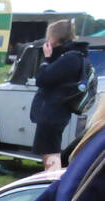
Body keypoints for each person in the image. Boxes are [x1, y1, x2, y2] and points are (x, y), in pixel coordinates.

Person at [32, 20, 90, 173]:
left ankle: (52, 181)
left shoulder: (70, 58)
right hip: (56, 111)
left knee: (50, 153)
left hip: (53, 112)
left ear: (56, 37)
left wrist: (46, 59)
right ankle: (51, 179)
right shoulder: (72, 56)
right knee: (49, 151)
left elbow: (42, 79)